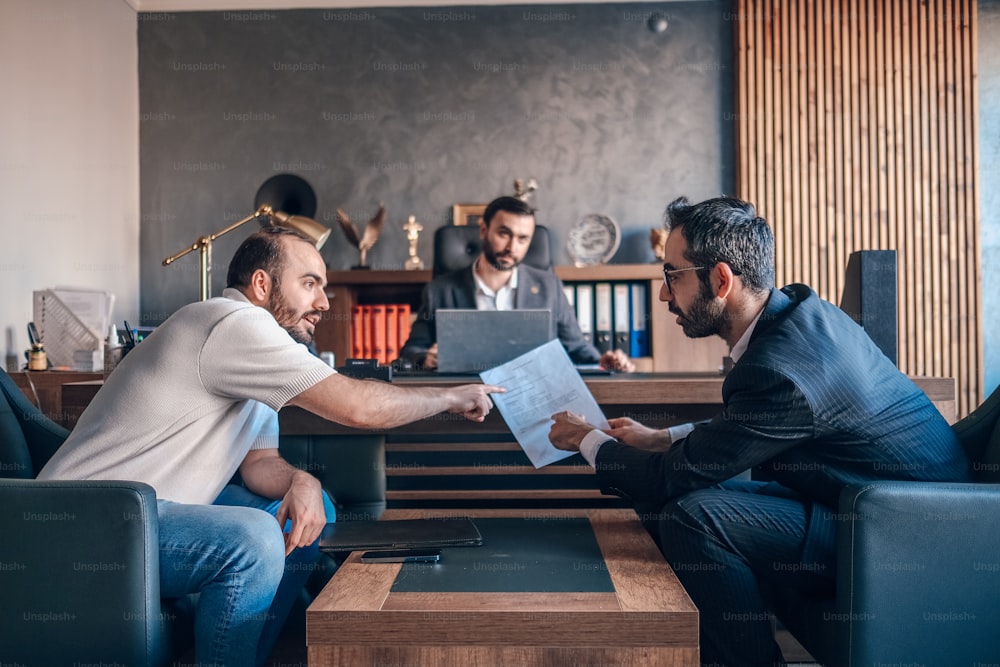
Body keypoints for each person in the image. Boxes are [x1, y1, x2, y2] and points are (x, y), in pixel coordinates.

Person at [37, 227, 501, 667]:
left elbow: (260, 464)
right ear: (262, 283)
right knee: (254, 541)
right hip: (87, 520)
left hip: (149, 509)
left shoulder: (261, 346)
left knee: (310, 507)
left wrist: (301, 480)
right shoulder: (231, 323)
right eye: (310, 284)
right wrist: (452, 395)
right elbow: (358, 406)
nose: (323, 302)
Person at [548, 196, 969, 667]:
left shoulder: (780, 371)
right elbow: (753, 430)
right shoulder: (803, 311)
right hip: (881, 506)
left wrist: (585, 438)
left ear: (721, 279)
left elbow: (670, 477)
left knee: (695, 513)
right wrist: (662, 438)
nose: (664, 295)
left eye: (672, 275)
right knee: (700, 492)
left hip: (909, 534)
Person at [399, 195, 634, 371]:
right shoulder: (440, 291)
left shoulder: (549, 287)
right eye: (504, 233)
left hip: (533, 395)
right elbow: (409, 353)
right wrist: (424, 359)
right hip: (466, 398)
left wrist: (604, 361)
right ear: (483, 230)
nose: (512, 247)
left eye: (523, 238)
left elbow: (577, 349)